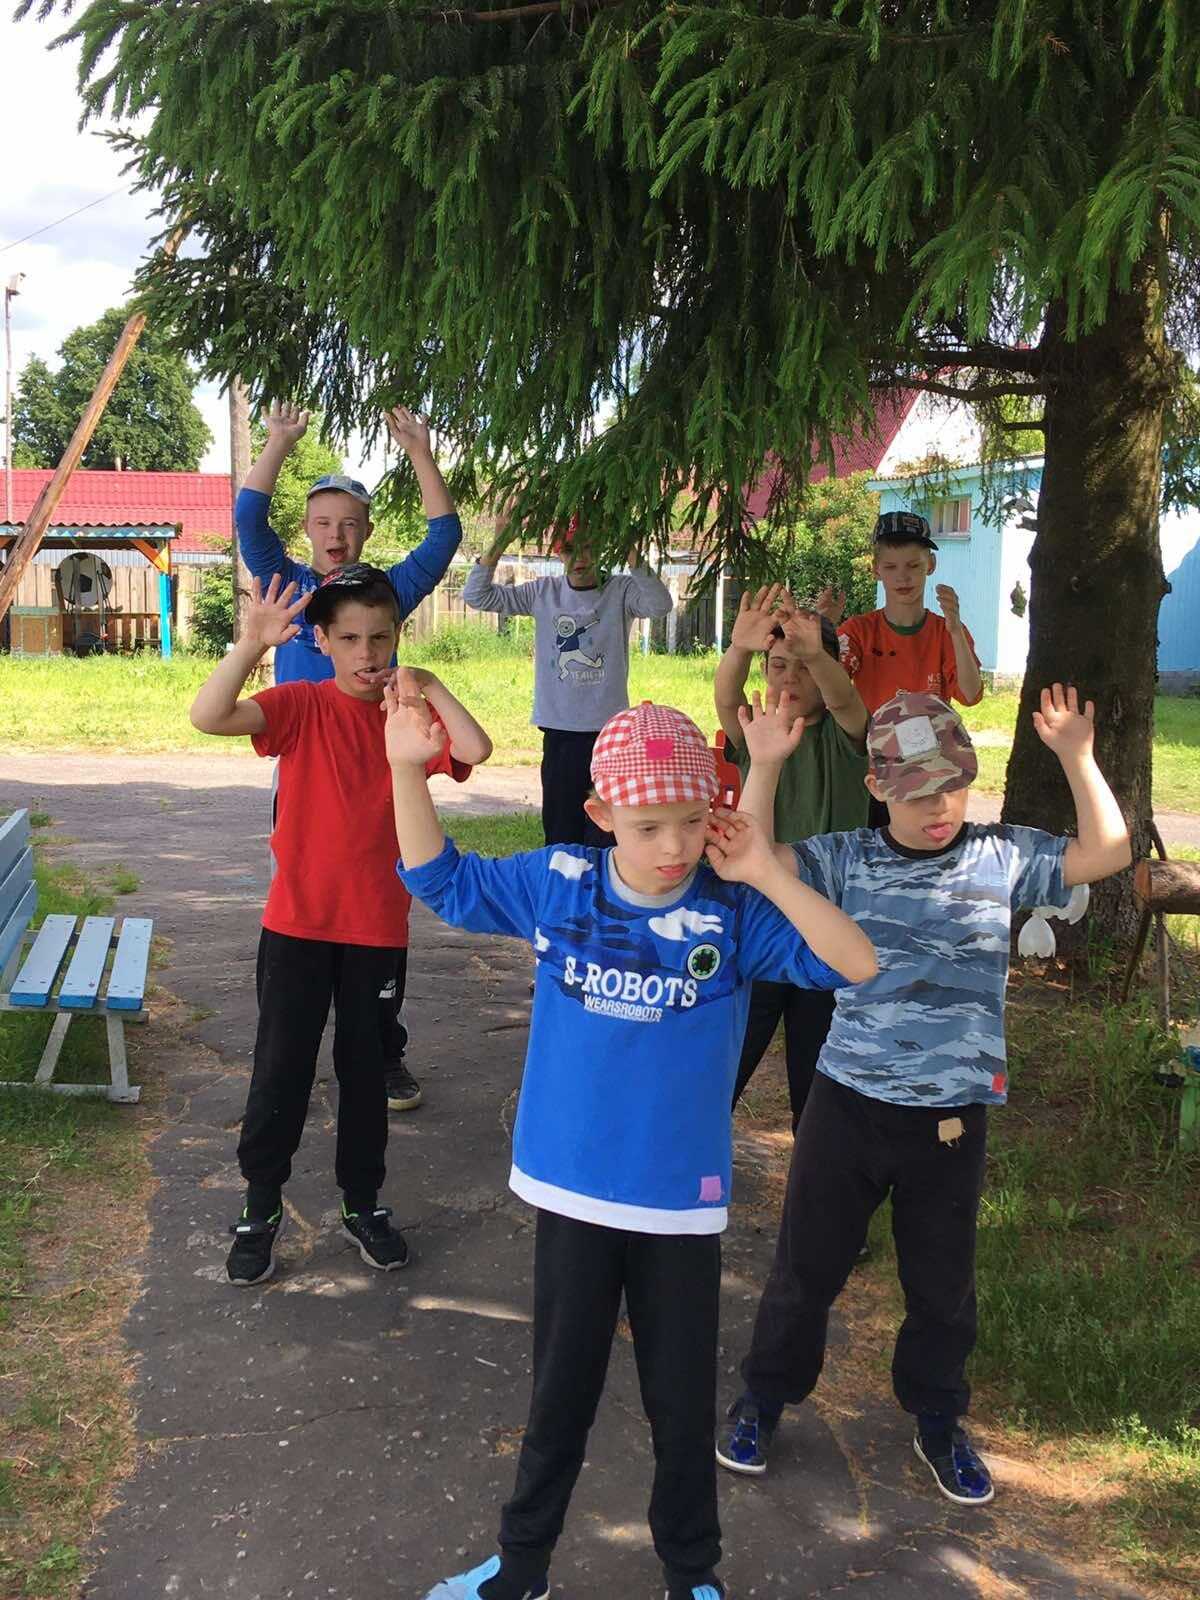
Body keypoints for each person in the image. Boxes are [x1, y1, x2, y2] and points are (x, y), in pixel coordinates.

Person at [384, 695, 878, 1600]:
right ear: (602, 813)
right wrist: (405, 769)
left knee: (680, 1406)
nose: (674, 846)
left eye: (691, 821)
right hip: (573, 1188)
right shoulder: (561, 882)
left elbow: (857, 963)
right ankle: (522, 1569)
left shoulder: (731, 913)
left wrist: (765, 873)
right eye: (649, 826)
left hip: (678, 1202)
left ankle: (690, 1573)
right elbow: (440, 880)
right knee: (558, 1400)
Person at [715, 684, 1130, 1507]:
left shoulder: (1002, 856)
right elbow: (750, 861)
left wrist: (1078, 757)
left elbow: (1108, 853)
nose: (937, 807)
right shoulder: (847, 858)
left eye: (951, 786)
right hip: (847, 1102)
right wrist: (762, 764)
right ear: (877, 787)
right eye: (914, 792)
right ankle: (764, 1397)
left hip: (950, 1117)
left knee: (942, 1286)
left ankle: (939, 1419)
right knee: (805, 1270)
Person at [189, 567, 491, 1287]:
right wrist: (251, 644)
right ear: (321, 641)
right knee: (281, 1069)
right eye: (349, 638)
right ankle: (261, 1204)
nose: (366, 653)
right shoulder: (300, 705)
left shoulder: (407, 720)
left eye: (380, 637)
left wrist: (426, 682)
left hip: (377, 930)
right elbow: (209, 715)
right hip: (296, 926)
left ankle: (363, 1202)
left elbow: (475, 750)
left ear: (397, 636)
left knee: (365, 1076)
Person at [237, 402, 461, 1114]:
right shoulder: (289, 587)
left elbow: (444, 537)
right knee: (301, 910)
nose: (336, 536)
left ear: (366, 530)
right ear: (308, 529)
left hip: (383, 778)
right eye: (323, 522)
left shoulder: (385, 594)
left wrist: (419, 450)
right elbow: (248, 521)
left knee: (381, 912)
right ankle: (287, 1051)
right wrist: (278, 441)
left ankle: (383, 1050)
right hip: (306, 773)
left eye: (350, 524)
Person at [714, 584, 869, 1127]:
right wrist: (739, 648)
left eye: (804, 667)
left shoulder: (847, 736)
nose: (790, 679)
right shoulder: (756, 732)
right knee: (725, 1064)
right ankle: (686, 1151)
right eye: (779, 666)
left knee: (816, 1079)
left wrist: (816, 656)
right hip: (759, 924)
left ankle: (816, 1161)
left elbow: (845, 701)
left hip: (825, 926)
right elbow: (726, 700)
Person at [462, 512, 674, 847]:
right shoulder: (543, 592)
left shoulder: (620, 590)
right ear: (557, 552)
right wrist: (500, 541)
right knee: (561, 831)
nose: (580, 558)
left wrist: (630, 549)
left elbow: (660, 605)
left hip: (609, 736)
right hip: (560, 732)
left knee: (607, 832)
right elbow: (477, 596)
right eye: (569, 549)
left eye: (589, 547)